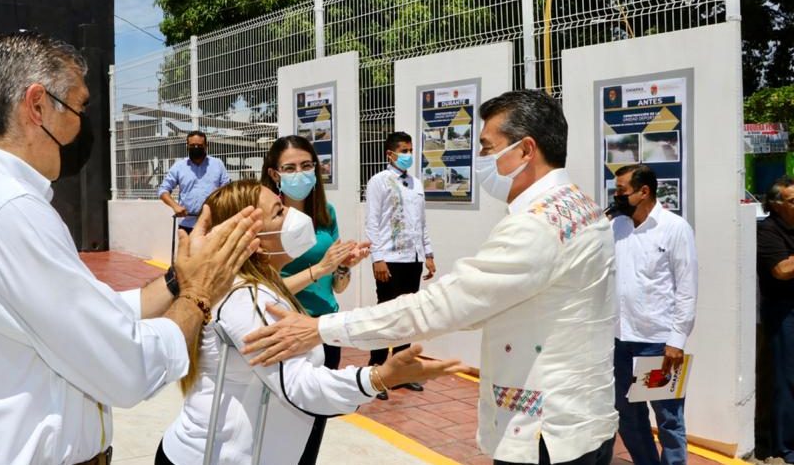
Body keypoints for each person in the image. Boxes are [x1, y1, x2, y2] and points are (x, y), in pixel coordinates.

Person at [0, 31, 261, 465]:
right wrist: (198, 295)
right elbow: (127, 367)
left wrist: (176, 280)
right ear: (37, 105)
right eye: (79, 106)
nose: (84, 124)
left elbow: (88, 312)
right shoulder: (8, 212)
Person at [243, 90, 619, 465]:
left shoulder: (537, 225)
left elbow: (442, 307)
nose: (481, 160)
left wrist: (319, 328)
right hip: (583, 422)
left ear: (524, 150)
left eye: (489, 148)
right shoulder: (581, 207)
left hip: (545, 435)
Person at [156, 180, 463, 465]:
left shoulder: (260, 284)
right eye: (279, 212)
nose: (292, 213)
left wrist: (331, 268)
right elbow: (297, 384)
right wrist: (378, 377)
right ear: (255, 243)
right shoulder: (246, 296)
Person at [259, 135, 370, 462]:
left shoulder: (326, 213)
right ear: (275, 174)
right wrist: (321, 267)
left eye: (307, 166)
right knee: (278, 426)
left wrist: (343, 268)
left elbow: (336, 287)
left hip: (325, 329)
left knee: (314, 425)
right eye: (290, 168)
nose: (300, 174)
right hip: (285, 330)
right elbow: (262, 286)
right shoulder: (267, 219)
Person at [611, 164, 698, 465]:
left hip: (658, 344)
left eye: (621, 191)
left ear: (643, 191)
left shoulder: (675, 228)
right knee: (628, 416)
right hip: (621, 341)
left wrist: (677, 339)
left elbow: (686, 288)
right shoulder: (616, 227)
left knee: (668, 420)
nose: (616, 196)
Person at [363, 131, 436, 396]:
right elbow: (372, 222)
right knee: (386, 314)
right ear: (390, 154)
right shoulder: (378, 182)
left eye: (410, 150)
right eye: (403, 150)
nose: (408, 155)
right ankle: (377, 369)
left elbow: (421, 222)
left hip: (412, 259)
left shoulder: (416, 184)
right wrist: (377, 258)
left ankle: (401, 371)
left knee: (408, 315)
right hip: (390, 259)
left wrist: (428, 254)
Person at [757, 176, 794, 463]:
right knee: (786, 379)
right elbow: (782, 270)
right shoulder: (768, 230)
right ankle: (784, 447)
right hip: (784, 312)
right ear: (776, 205)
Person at [158, 131, 231, 232]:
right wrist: (175, 206)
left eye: (199, 145)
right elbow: (163, 190)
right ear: (187, 146)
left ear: (206, 146)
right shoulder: (179, 167)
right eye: (192, 145)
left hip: (212, 223)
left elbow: (227, 189)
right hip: (187, 224)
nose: (196, 148)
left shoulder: (217, 164)